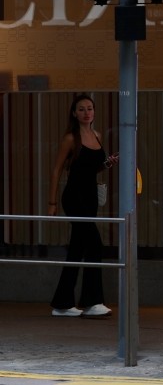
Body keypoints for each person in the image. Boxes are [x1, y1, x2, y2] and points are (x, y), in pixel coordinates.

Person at [47, 94, 118, 318]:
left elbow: (91, 168)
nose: (87, 113)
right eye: (81, 109)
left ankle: (62, 304)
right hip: (74, 197)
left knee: (77, 248)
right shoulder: (70, 138)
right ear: (74, 113)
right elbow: (57, 170)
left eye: (90, 108)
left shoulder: (97, 136)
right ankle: (92, 301)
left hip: (90, 196)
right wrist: (52, 202)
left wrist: (107, 164)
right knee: (94, 243)